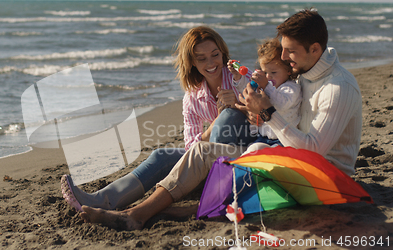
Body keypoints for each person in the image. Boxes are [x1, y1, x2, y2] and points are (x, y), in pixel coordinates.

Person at [78, 9, 362, 230]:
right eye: (283, 49)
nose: (283, 56)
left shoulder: (338, 87)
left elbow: (312, 150)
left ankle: (138, 214)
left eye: (290, 51)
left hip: (319, 178)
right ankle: (139, 210)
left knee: (226, 132)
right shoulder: (305, 72)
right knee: (197, 152)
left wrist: (266, 113)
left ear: (314, 49)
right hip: (284, 157)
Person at [61, 26, 257, 211]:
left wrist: (239, 106)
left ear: (223, 53)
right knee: (160, 155)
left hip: (246, 153)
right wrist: (215, 124)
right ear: (192, 63)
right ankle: (104, 199)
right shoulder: (192, 98)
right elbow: (191, 148)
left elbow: (268, 117)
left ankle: (211, 185)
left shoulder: (240, 77)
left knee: (229, 117)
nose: (211, 63)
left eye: (215, 55)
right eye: (202, 58)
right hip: (209, 158)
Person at [232, 38, 301, 150]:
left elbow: (281, 105)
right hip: (263, 137)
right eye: (265, 72)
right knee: (251, 150)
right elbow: (248, 93)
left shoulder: (291, 88)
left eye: (273, 72)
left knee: (258, 152)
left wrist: (265, 86)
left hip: (283, 140)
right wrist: (238, 77)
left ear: (288, 70)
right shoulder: (267, 87)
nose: (268, 77)